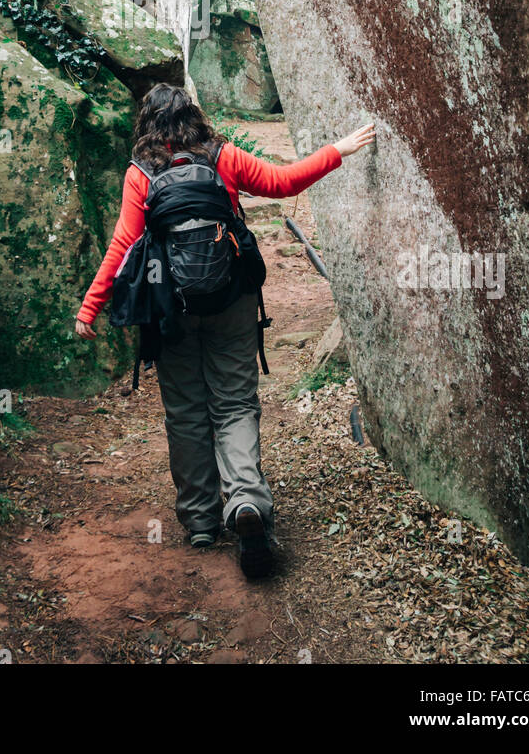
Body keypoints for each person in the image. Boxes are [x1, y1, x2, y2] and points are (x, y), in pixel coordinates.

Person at [75, 83, 374, 578]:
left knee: (186, 411)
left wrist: (91, 307)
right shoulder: (223, 156)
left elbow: (124, 246)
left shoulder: (141, 174)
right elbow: (284, 182)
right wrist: (336, 150)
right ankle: (246, 503)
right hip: (231, 299)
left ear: (147, 124)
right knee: (234, 403)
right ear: (194, 116)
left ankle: (200, 521)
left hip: (169, 306)